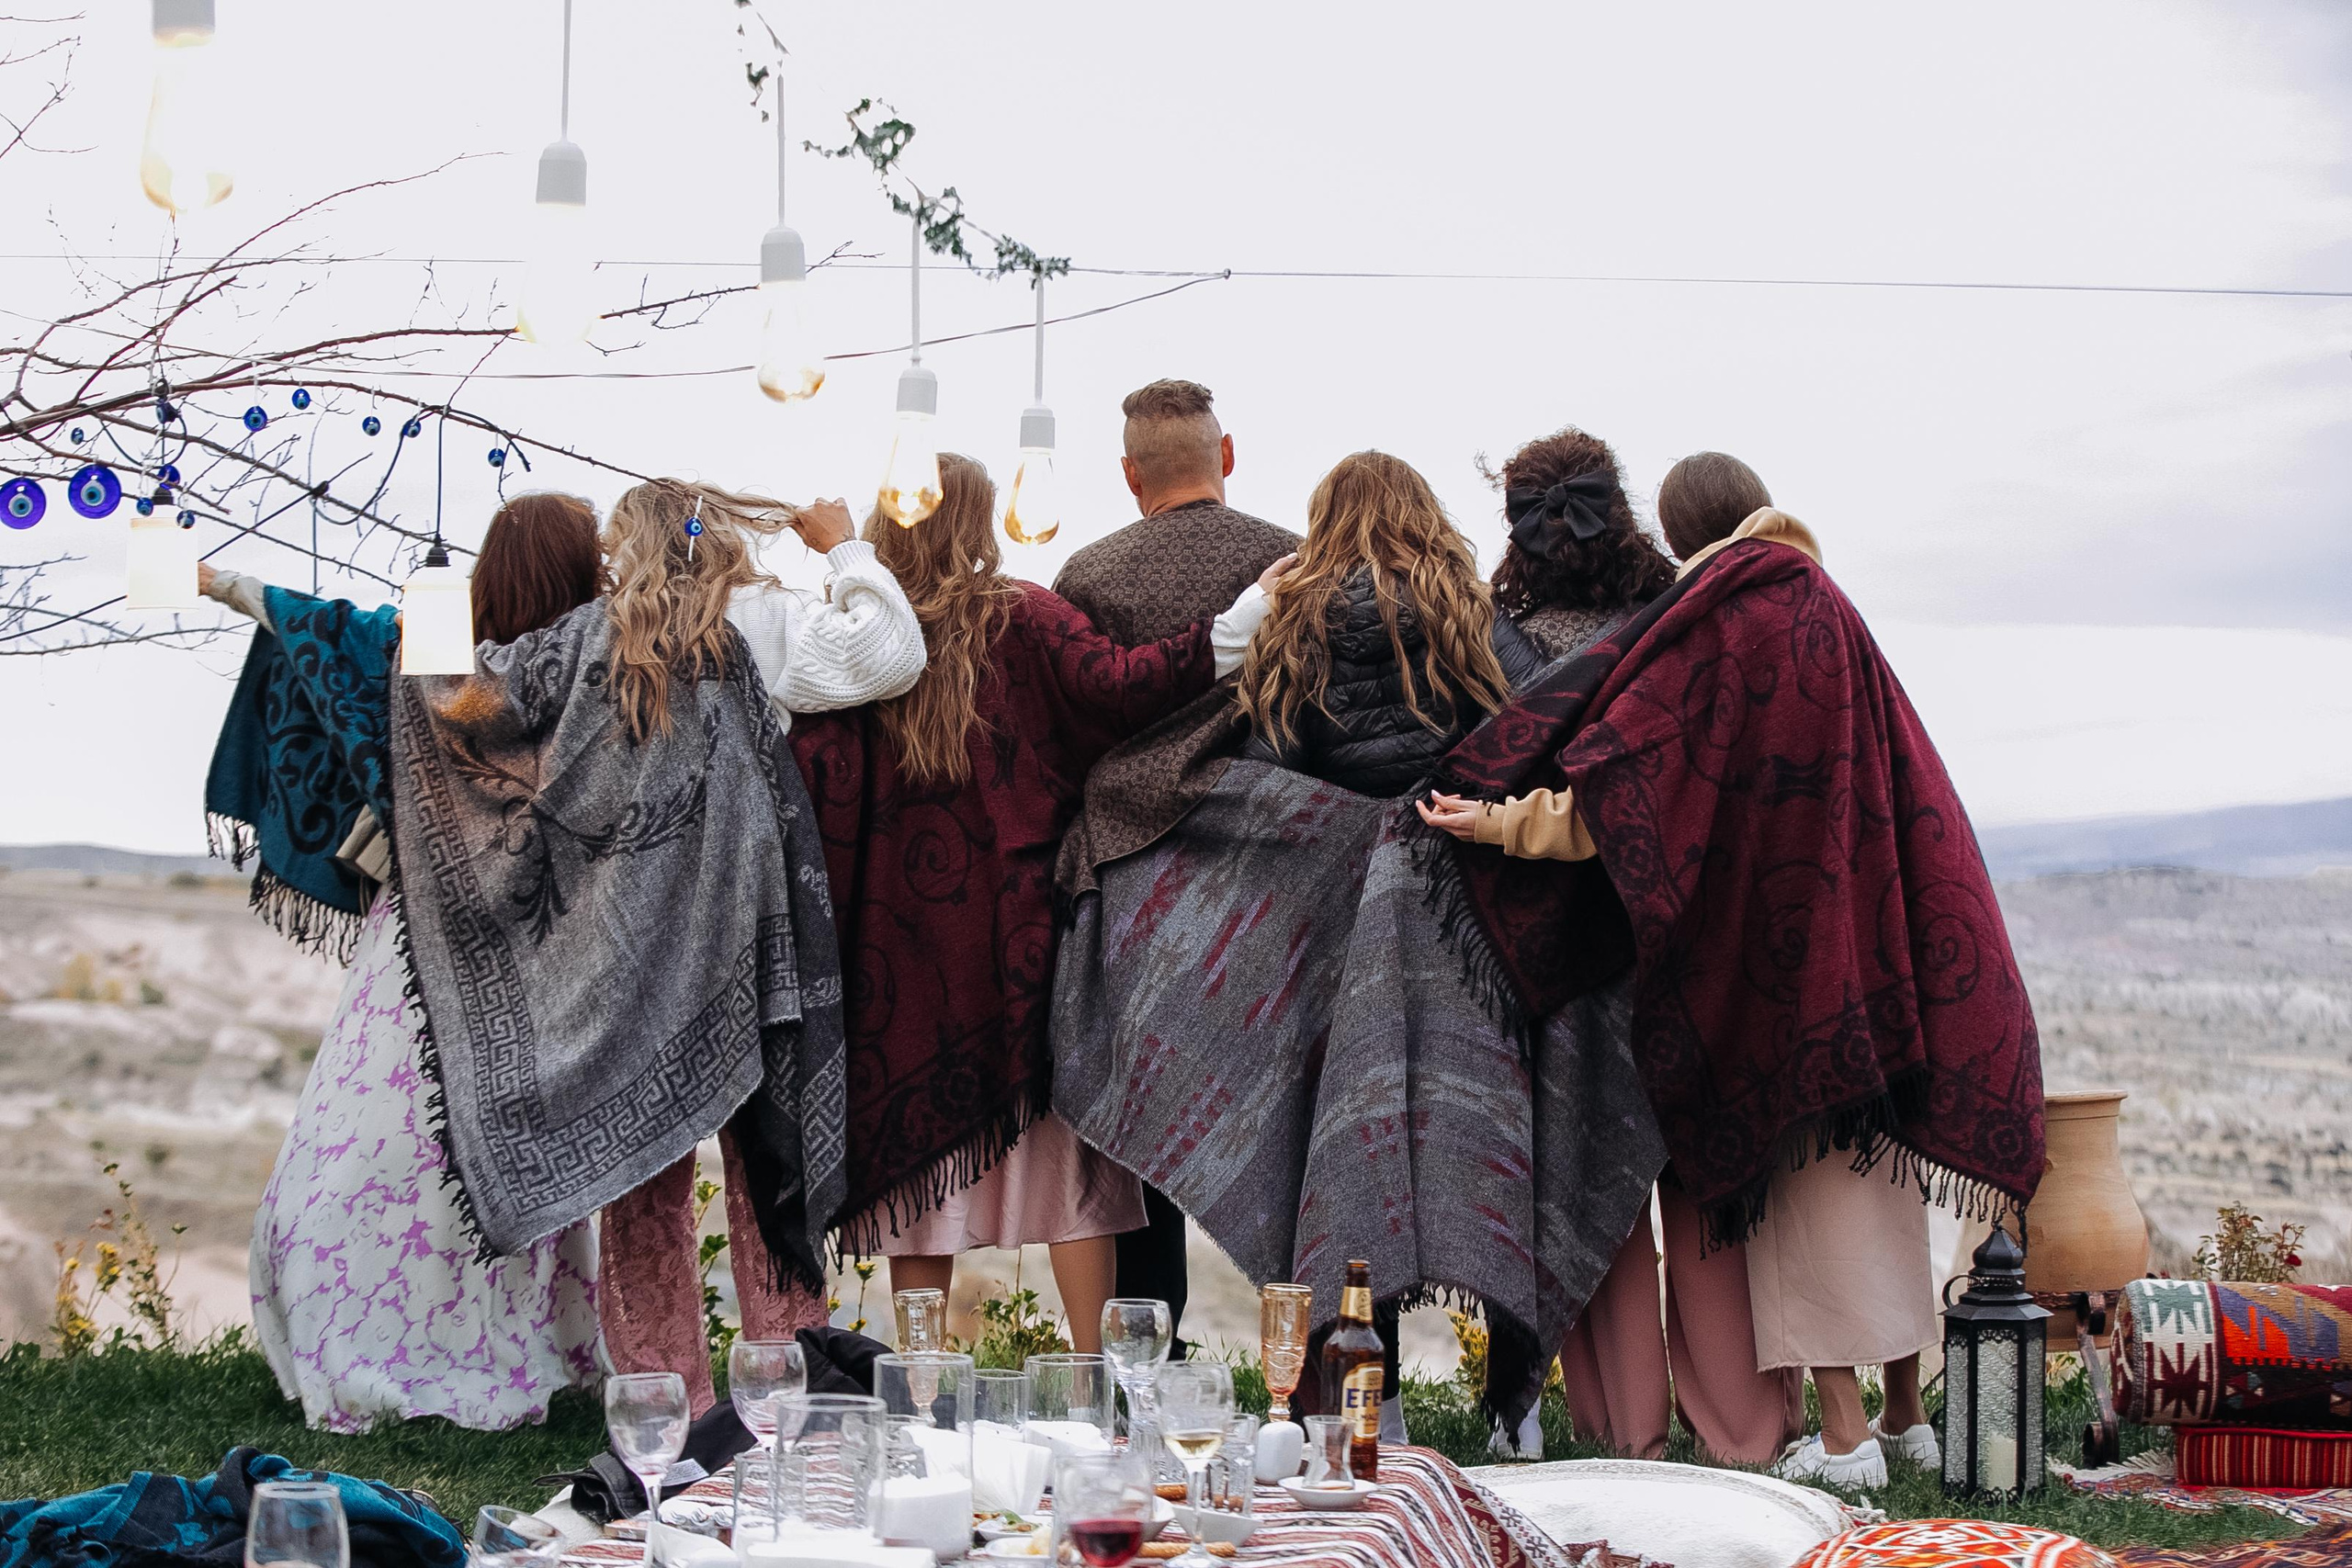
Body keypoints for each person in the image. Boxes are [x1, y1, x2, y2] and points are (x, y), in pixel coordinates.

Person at [1419, 453, 2040, 1483]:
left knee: (1800, 1206)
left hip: (1780, 969)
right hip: (1872, 942)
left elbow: (1624, 793)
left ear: (1674, 537)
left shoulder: (1721, 618)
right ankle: (1905, 1415)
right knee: (1877, 1187)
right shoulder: (1823, 599)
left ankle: (1845, 1442)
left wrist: (1494, 819)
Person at [792, 453, 1278, 1352]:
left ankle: (921, 1386)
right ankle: (1099, 1380)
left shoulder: (857, 639)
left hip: (899, 956)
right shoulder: (1021, 614)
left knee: (918, 1179)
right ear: (977, 522)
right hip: (1025, 945)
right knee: (1071, 1181)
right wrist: (1248, 617)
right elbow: (1126, 685)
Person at [206, 493, 607, 1433]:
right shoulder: (596, 673)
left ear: (492, 570)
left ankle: (358, 1328)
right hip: (536, 949)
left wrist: (223, 580)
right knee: (503, 1146)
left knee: (378, 1137)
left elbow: (320, 628)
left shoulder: (430, 656)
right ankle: (509, 1339)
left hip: (417, 947)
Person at [592, 482, 927, 1414]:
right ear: (719, 540)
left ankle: (662, 1400)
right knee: (769, 1162)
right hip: (748, 927)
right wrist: (846, 550)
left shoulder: (599, 636)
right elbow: (894, 653)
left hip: (635, 933)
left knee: (642, 1176)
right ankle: (783, 1388)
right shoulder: (762, 619)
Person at [1229, 448, 1544, 1427]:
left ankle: (1381, 1402)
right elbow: (1541, 726)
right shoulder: (1470, 612)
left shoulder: (1295, 623)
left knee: (1361, 1155)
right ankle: (1517, 1408)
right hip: (1468, 921)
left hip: (1348, 931)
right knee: (1487, 1150)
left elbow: (1267, 777)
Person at [1051, 378, 1296, 1353]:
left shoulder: (1085, 576)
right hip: (1266, 876)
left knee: (1136, 1125)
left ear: (1129, 476)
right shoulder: (1290, 563)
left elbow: (1070, 731)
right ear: (1225, 455)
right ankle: (1308, 1359)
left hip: (1131, 873)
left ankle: (1147, 1352)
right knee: (1279, 1117)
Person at [1237, 449, 1547, 795]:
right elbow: (1543, 704)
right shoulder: (1468, 605)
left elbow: (1270, 769)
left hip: (1353, 825)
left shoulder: (1295, 627)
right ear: (1422, 515)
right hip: (1456, 815)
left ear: (1324, 525)